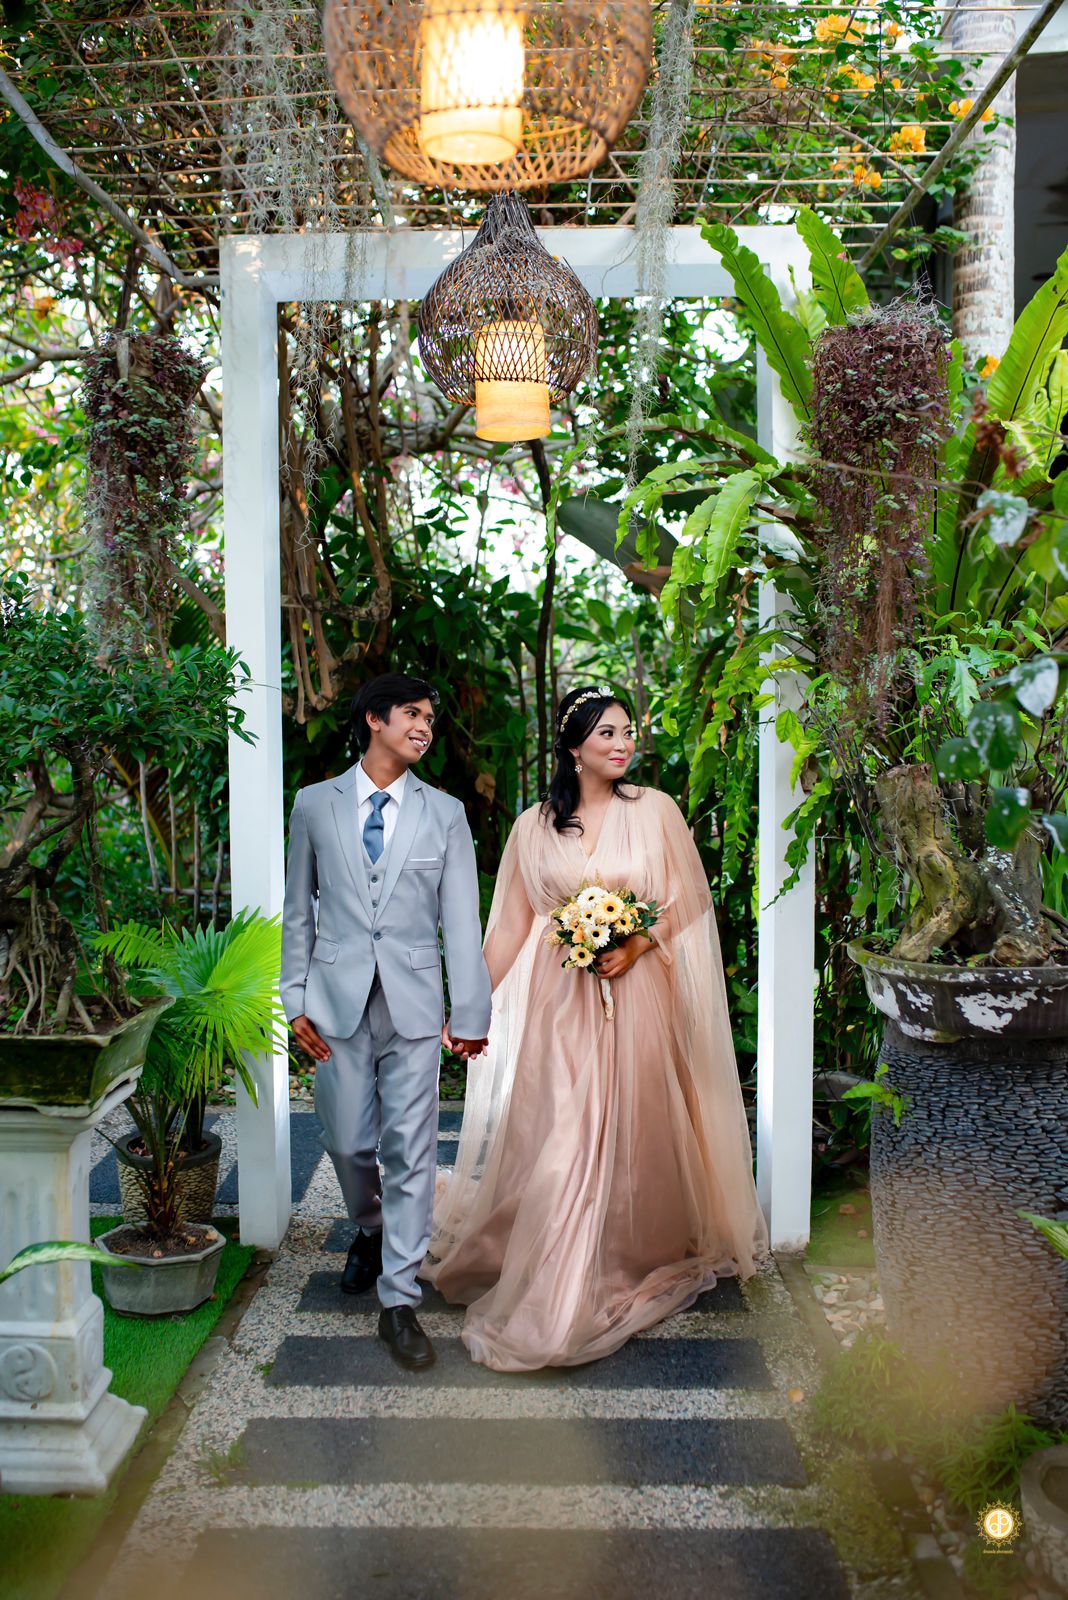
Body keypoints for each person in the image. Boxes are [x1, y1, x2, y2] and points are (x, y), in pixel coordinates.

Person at [424, 684, 771, 1371]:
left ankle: (620, 1250)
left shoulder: (656, 811)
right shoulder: (534, 827)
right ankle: (557, 1260)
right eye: (607, 733)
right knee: (563, 1131)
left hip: (637, 997)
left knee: (632, 1124)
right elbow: (512, 928)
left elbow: (690, 897)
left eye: (627, 732)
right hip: (562, 1004)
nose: (623, 744)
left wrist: (639, 942)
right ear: (574, 746)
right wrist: (468, 1006)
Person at [280, 673, 490, 1372]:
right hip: (334, 1002)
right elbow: (298, 910)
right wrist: (293, 999)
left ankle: (399, 1299)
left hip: (415, 1005)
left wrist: (470, 1011)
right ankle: (372, 1228)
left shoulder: (446, 813)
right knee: (345, 1141)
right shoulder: (315, 805)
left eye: (430, 716)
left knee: (411, 1148)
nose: (425, 726)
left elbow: (461, 921)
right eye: (411, 713)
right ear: (374, 719)